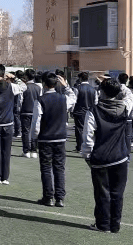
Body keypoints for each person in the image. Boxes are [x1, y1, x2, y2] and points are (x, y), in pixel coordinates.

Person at [81, 78, 131, 234]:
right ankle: (115, 225)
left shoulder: (94, 110)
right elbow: (128, 93)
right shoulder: (125, 107)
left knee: (102, 193)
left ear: (100, 92)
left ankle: (103, 224)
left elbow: (88, 136)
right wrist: (117, 84)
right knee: (117, 193)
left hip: (101, 158)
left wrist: (87, 155)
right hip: (120, 157)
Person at [31, 72, 76, 207]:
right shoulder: (63, 98)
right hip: (60, 137)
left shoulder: (40, 100)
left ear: (44, 84)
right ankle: (60, 198)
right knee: (59, 168)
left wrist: (34, 137)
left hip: (46, 138)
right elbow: (73, 97)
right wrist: (67, 86)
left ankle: (48, 197)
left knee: (46, 168)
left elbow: (36, 122)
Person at [20, 69, 42, 158]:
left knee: (25, 132)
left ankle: (26, 151)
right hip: (36, 111)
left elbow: (20, 100)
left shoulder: (24, 87)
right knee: (35, 130)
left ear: (26, 76)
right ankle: (34, 150)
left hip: (25, 110)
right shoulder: (38, 87)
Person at [72, 72, 96, 152]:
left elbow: (74, 101)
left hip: (79, 112)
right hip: (90, 111)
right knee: (90, 130)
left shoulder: (77, 88)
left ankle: (79, 147)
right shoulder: (93, 89)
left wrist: (72, 111)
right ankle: (90, 146)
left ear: (80, 78)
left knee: (79, 130)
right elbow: (96, 102)